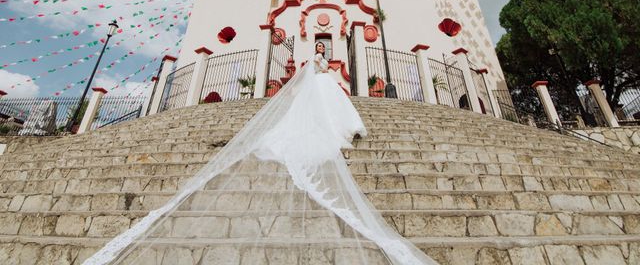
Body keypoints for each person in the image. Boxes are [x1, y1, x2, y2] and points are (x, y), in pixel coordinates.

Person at [86, 43, 436, 265]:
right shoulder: (317, 64)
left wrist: (325, 72)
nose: (322, 50)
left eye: (323, 48)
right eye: (319, 48)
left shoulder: (322, 66)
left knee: (329, 104)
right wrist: (324, 70)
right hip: (322, 91)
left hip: (323, 90)